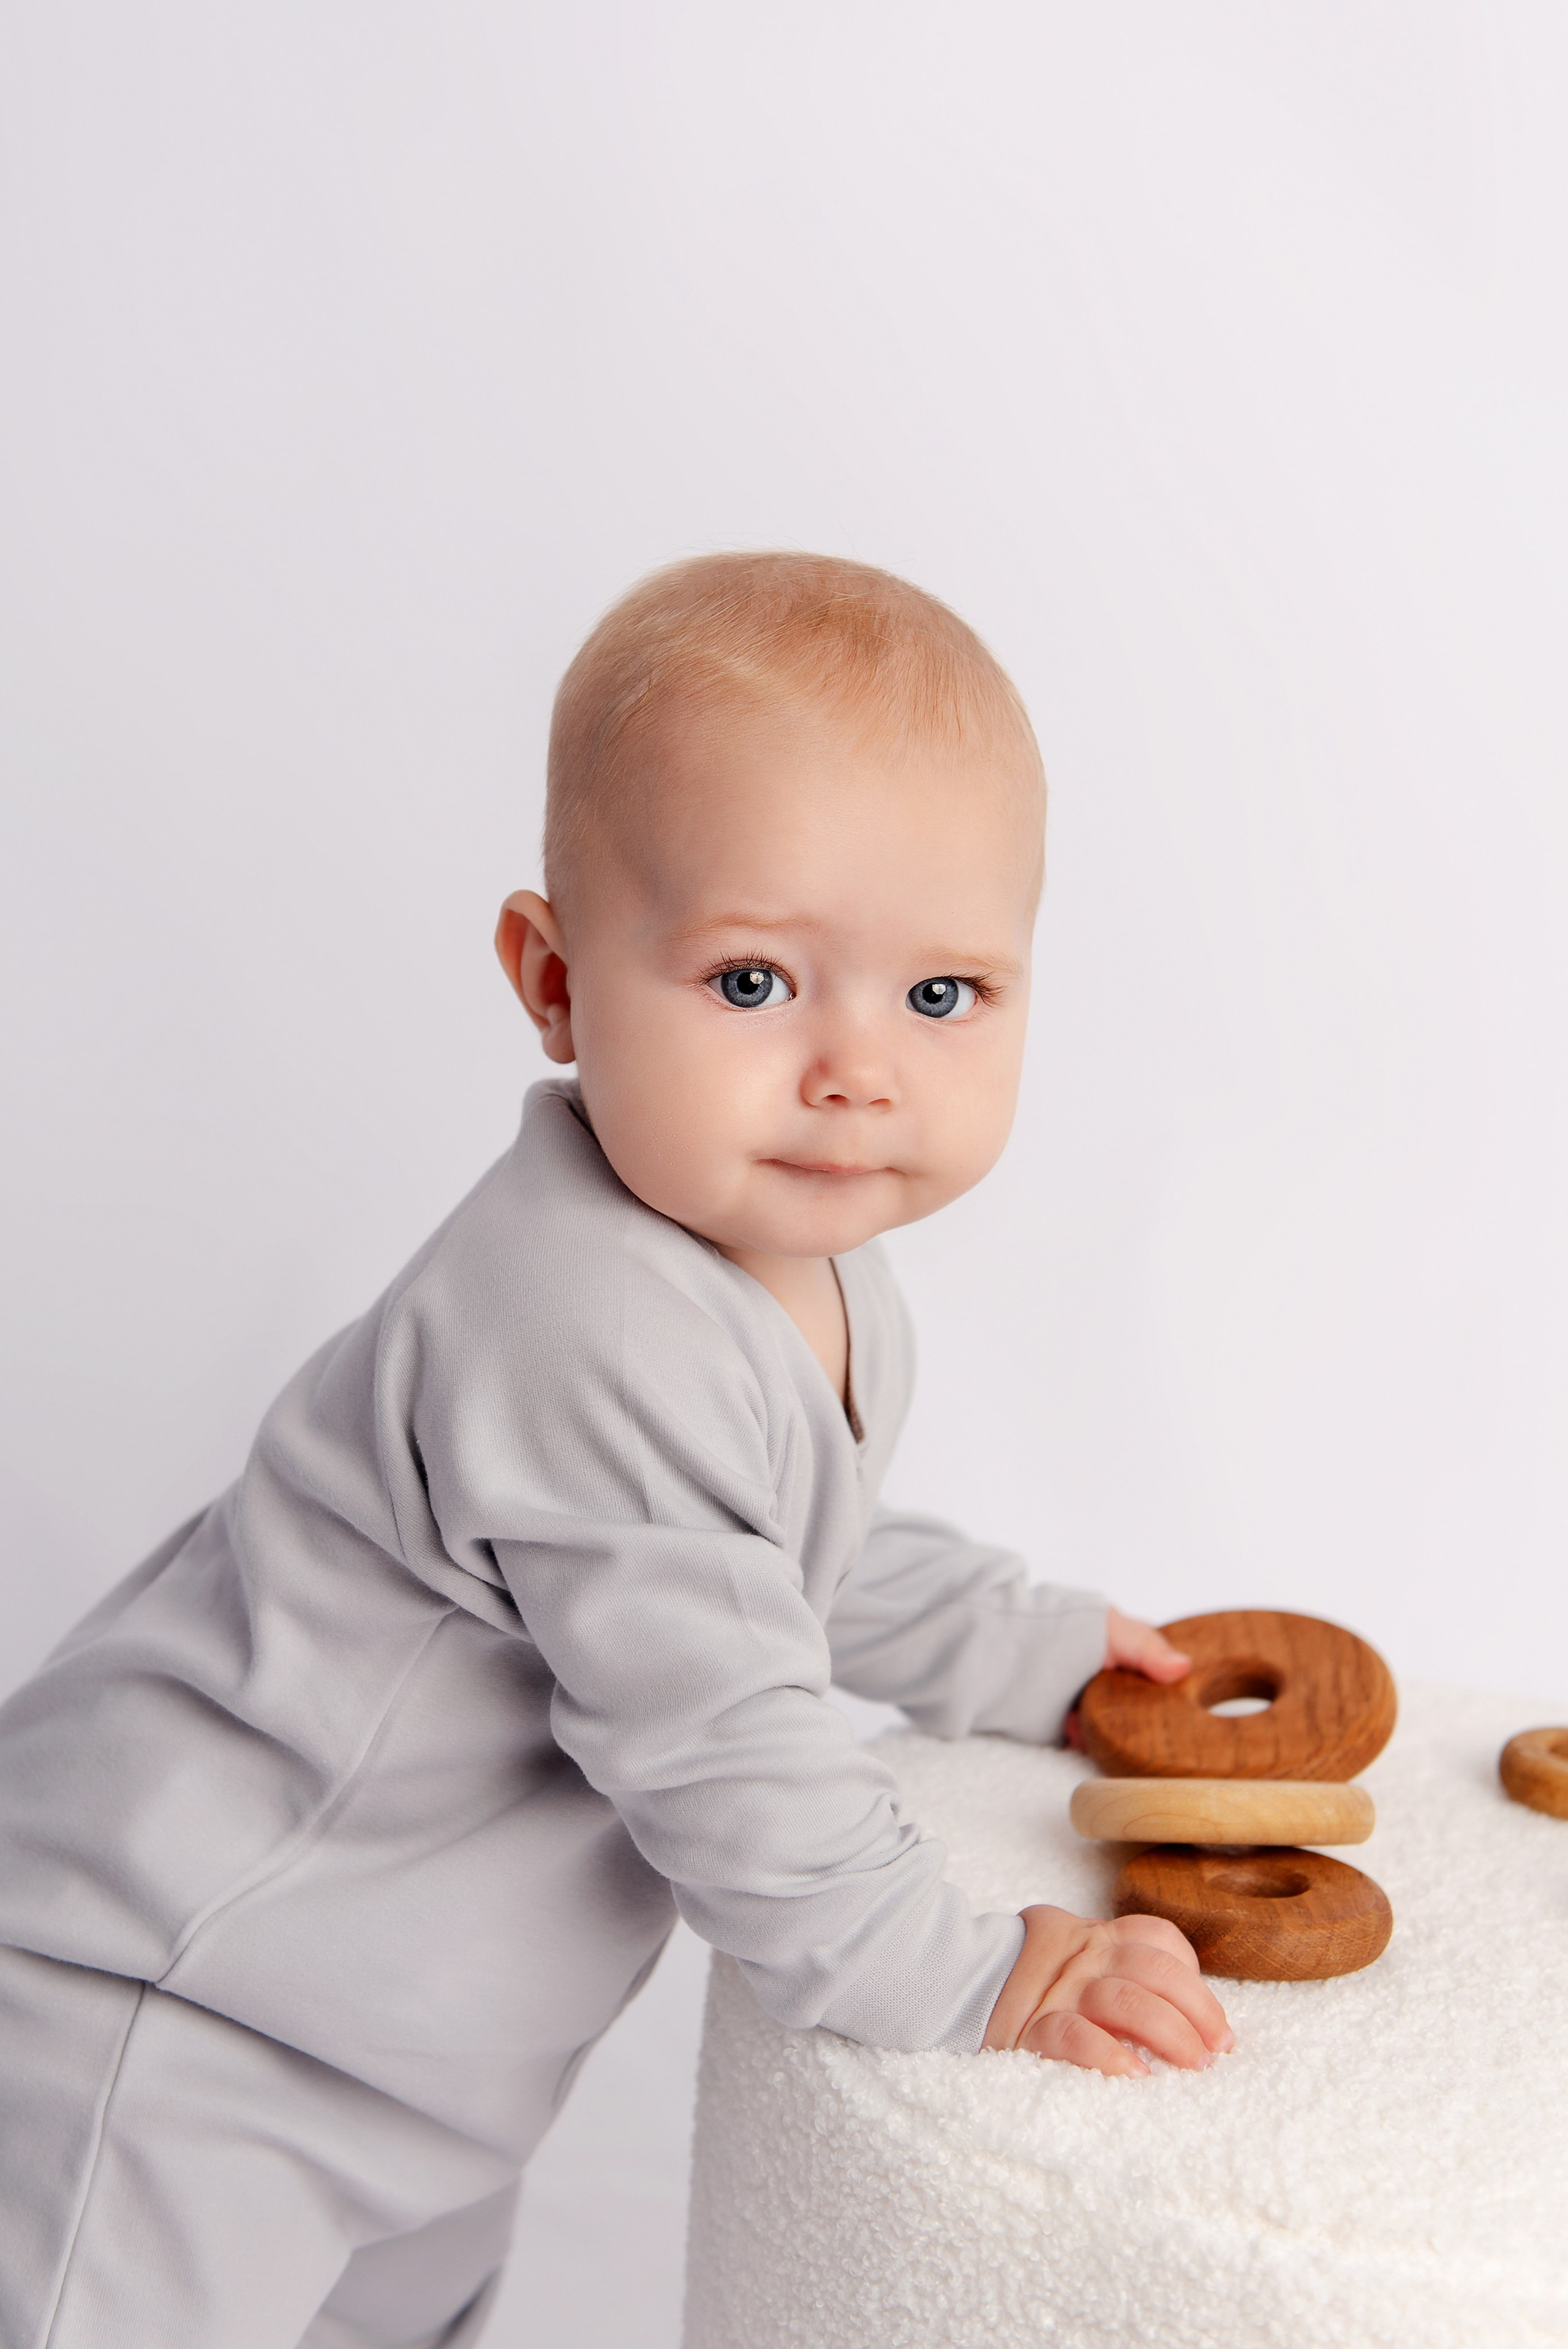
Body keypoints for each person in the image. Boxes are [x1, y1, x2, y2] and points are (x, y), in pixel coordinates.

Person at [0, 552, 1232, 2349]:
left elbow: (773, 1555)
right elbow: (724, 1736)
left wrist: (1016, 1641)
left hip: (408, 2045)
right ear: (556, 979)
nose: (854, 1069)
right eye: (751, 981)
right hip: (185, 2017)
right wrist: (981, 1972)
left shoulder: (803, 1271)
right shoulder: (576, 1315)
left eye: (942, 996)